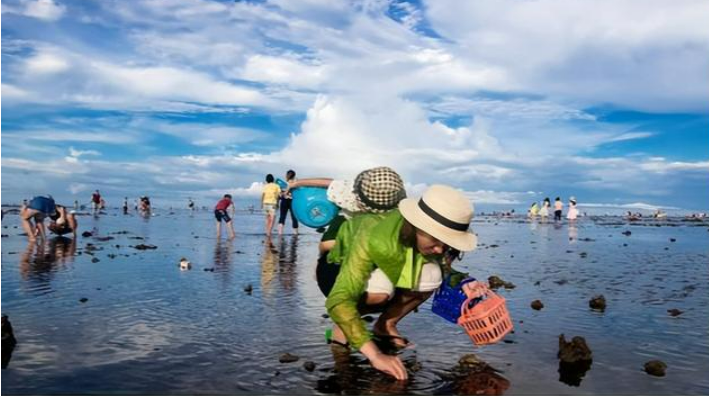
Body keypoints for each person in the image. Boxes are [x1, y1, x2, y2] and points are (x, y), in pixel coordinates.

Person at [325, 184, 477, 380]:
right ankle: (341, 328)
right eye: (436, 239)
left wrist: (463, 281)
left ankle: (385, 324)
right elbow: (339, 299)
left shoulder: (425, 241)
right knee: (378, 295)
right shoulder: (373, 234)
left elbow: (441, 266)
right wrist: (375, 355)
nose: (440, 250)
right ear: (416, 225)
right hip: (337, 268)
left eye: (447, 243)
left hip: (388, 262)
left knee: (433, 276)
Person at [277, 170, 299, 235]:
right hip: (293, 201)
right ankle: (296, 234)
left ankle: (280, 233)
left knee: (282, 217)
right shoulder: (296, 184)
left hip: (284, 201)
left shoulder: (283, 184)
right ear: (294, 176)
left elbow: (280, 195)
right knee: (294, 217)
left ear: (287, 175)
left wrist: (282, 194)